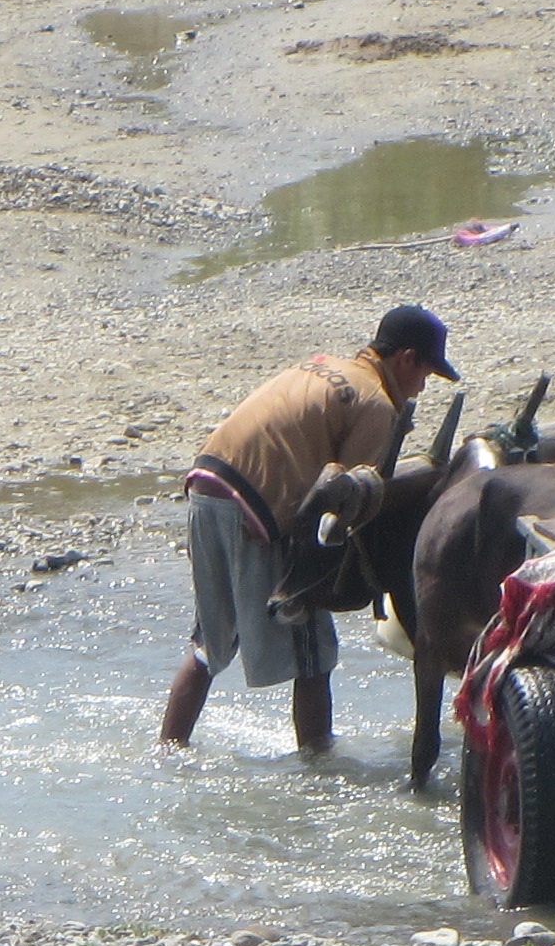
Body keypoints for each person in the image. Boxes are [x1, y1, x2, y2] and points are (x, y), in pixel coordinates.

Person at [162, 303, 457, 754]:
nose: (422, 387)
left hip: (207, 485)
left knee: (210, 645)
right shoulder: (376, 404)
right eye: (426, 375)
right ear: (407, 360)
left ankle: (167, 751)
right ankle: (319, 765)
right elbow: (346, 499)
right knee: (313, 654)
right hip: (256, 509)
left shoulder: (325, 364)